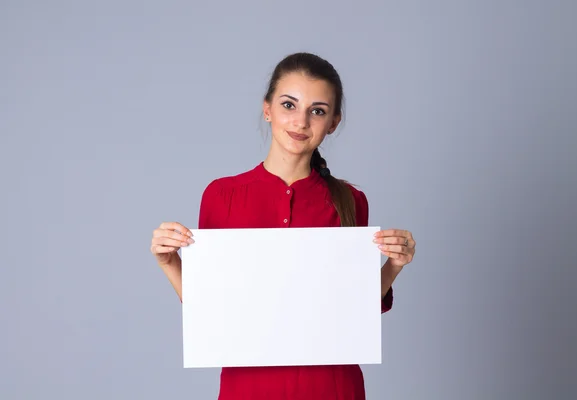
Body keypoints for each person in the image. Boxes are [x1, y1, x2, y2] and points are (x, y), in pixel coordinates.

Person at [150, 52, 416, 400]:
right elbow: (211, 309)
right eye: (289, 105)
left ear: (333, 122)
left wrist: (394, 266)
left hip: (332, 387)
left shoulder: (350, 201)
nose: (301, 121)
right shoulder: (221, 196)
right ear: (267, 109)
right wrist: (169, 263)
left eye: (317, 111)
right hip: (248, 388)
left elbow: (354, 310)